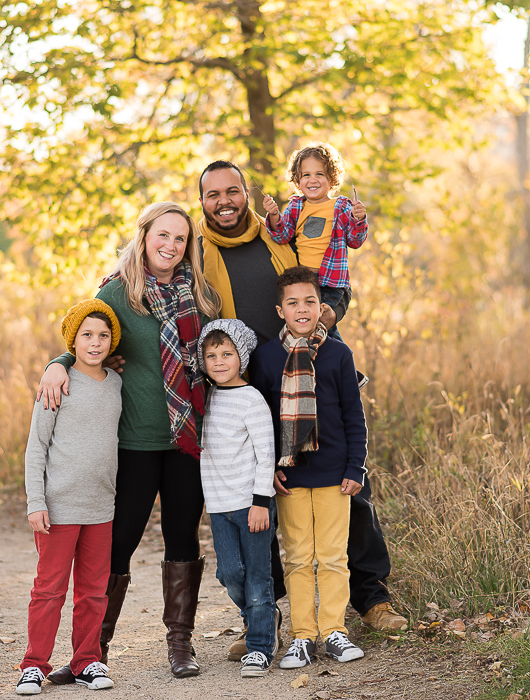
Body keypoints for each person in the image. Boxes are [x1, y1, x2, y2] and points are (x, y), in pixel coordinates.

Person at [196, 162, 408, 660]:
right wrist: (65, 358)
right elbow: (139, 273)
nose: (224, 201)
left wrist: (331, 313)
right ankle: (265, 616)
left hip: (310, 370)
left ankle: (371, 597)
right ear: (202, 200)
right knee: (264, 502)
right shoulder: (194, 251)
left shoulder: (280, 234)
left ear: (246, 193)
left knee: (349, 490)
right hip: (250, 388)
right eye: (213, 195)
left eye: (233, 191)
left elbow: (332, 278)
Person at [36, 202, 219, 681]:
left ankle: (181, 644)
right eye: (163, 235)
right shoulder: (118, 292)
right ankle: (93, 651)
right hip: (133, 442)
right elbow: (85, 333)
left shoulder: (201, 294)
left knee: (183, 538)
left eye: (180, 239)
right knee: (117, 546)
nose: (171, 246)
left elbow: (221, 350)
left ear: (188, 246)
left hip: (186, 438)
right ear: (144, 236)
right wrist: (57, 363)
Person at [250, 265, 368, 668]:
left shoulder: (338, 353)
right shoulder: (266, 357)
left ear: (322, 307)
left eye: (310, 302)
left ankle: (334, 630)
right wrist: (268, 469)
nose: (302, 309)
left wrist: (356, 467)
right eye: (293, 303)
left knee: (333, 556)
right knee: (298, 557)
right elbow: (262, 420)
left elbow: (354, 415)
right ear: (280, 310)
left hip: (336, 475)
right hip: (291, 475)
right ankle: (302, 635)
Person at [16, 300, 123, 694]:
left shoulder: (116, 383)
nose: (95, 343)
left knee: (94, 592)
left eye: (103, 336)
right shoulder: (56, 382)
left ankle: (87, 660)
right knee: (49, 589)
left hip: (100, 507)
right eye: (87, 335)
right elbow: (36, 447)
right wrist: (36, 501)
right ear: (73, 340)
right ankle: (33, 664)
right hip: (58, 507)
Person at [197, 318, 280, 678]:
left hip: (251, 503)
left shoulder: (251, 399)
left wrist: (262, 500)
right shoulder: (207, 398)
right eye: (211, 355)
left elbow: (266, 452)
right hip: (218, 506)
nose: (218, 362)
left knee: (258, 576)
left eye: (226, 354)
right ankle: (260, 617)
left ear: (241, 357)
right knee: (229, 573)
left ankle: (260, 646)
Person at [262, 142, 368, 342]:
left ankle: (342, 361)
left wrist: (358, 219)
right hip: (304, 281)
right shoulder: (295, 206)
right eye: (306, 175)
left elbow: (355, 241)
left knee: (321, 323)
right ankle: (313, 363)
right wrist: (274, 215)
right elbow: (282, 236)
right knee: (305, 326)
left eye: (320, 174)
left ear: (332, 179)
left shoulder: (342, 206)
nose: (313, 180)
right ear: (298, 179)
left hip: (332, 280)